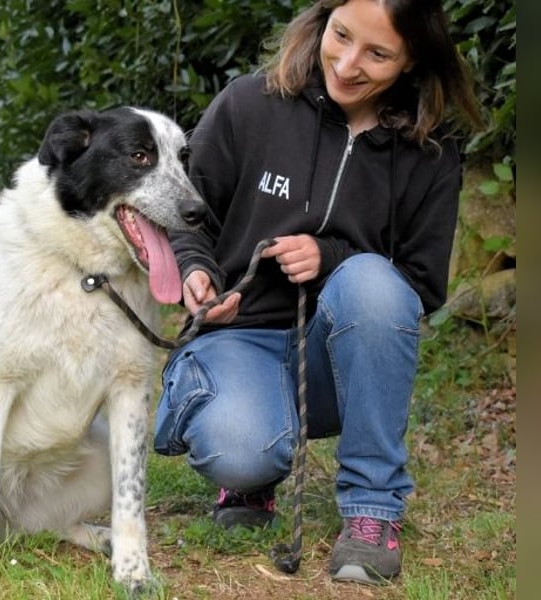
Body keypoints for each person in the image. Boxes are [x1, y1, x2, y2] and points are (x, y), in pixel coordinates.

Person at [152, 0, 482, 586]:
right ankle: (251, 474)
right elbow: (186, 215)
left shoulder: (430, 151)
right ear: (321, 21)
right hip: (239, 336)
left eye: (377, 53)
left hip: (338, 361)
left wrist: (333, 258)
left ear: (412, 61)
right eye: (341, 35)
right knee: (239, 448)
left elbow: (423, 284)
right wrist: (197, 273)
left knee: (374, 284)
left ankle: (372, 511)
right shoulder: (250, 102)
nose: (348, 63)